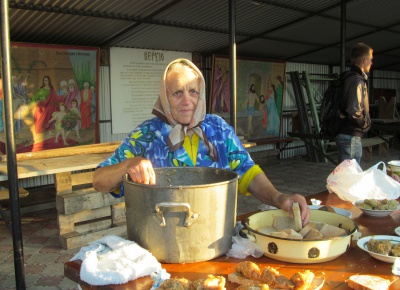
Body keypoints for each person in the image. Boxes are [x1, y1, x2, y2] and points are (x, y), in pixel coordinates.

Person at [93, 58, 310, 224]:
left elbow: (248, 173)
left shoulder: (218, 129)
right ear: (164, 97)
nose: (187, 101)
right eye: (177, 93)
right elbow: (99, 180)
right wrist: (128, 165)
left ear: (202, 94)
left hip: (216, 236)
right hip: (161, 242)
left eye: (193, 92)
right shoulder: (148, 134)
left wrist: (280, 198)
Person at [335, 43, 373, 164]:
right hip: (350, 136)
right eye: (371, 60)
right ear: (364, 60)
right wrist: (365, 123)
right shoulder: (356, 80)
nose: (372, 63)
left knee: (347, 175)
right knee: (351, 176)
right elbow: (353, 111)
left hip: (346, 134)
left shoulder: (347, 76)